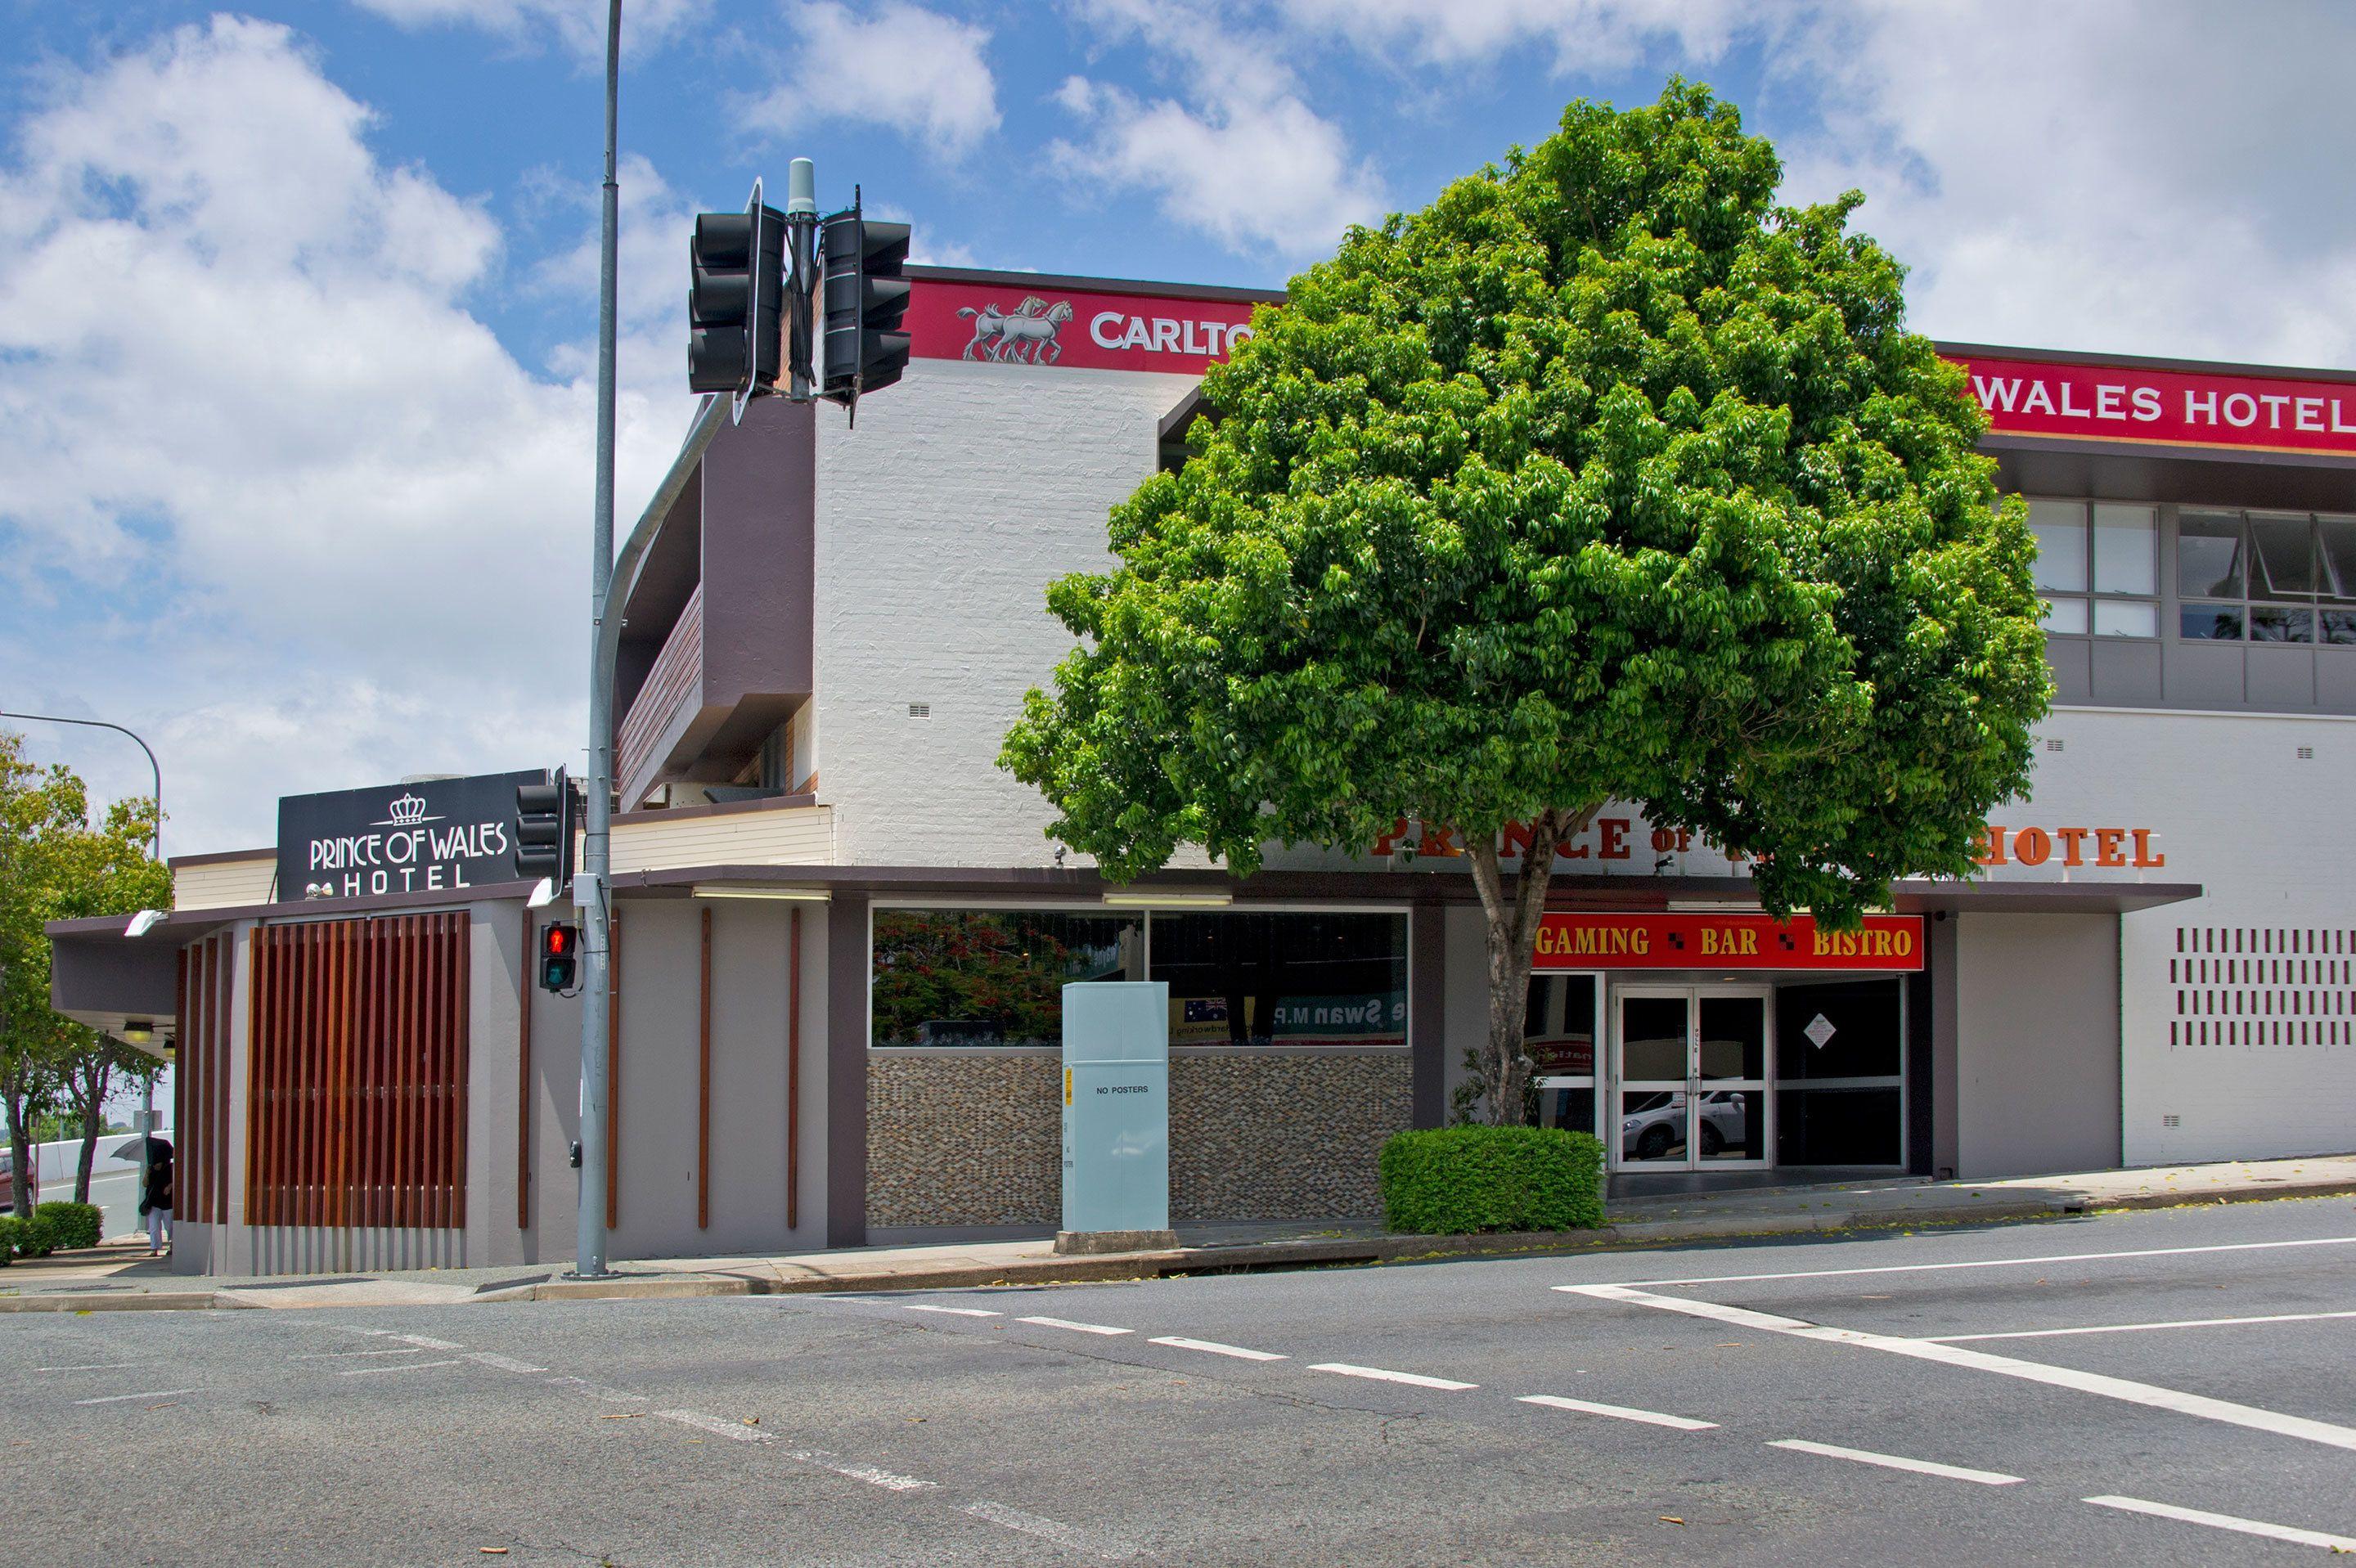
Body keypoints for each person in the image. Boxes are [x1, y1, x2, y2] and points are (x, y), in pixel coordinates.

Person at [139, 1136, 173, 1256]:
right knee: (153, 1227)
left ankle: (172, 1245)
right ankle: (154, 1248)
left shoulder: (170, 1168)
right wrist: (147, 1174)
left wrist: (169, 1187)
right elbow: (145, 1184)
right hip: (154, 1202)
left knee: (170, 1226)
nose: (156, 1165)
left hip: (168, 1203)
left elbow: (176, 1181)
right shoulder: (151, 1169)